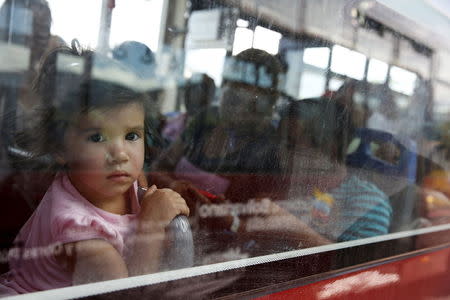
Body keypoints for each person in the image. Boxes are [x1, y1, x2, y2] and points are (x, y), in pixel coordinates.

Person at [0, 46, 189, 295]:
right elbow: (128, 295)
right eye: (98, 137)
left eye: (131, 135)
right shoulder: (81, 234)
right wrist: (150, 225)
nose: (120, 154)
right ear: (60, 147)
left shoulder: (100, 180)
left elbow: (139, 183)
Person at [276, 99, 392, 243]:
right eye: (279, 143)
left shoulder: (368, 202)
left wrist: (285, 224)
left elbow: (357, 261)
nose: (280, 152)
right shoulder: (280, 186)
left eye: (290, 144)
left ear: (329, 149)